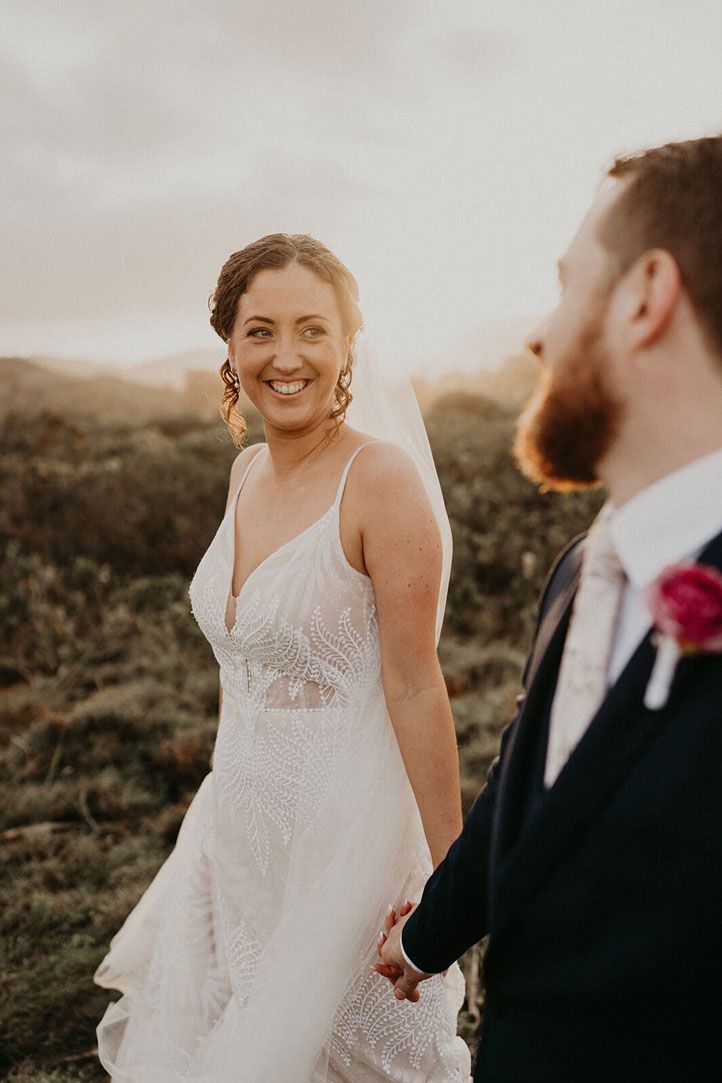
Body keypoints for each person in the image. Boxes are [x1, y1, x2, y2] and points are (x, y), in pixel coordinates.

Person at [377, 135, 722, 1082]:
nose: (538, 333)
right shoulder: (585, 566)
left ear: (646, 296)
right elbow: (538, 795)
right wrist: (429, 935)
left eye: (569, 285)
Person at [94, 233, 471, 1081]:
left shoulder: (382, 480)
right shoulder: (246, 472)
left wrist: (456, 880)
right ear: (229, 343)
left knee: (362, 1057)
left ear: (347, 344)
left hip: (349, 839)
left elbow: (415, 684)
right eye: (260, 330)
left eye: (312, 329)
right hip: (238, 830)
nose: (286, 355)